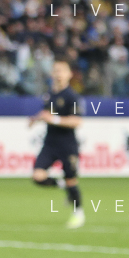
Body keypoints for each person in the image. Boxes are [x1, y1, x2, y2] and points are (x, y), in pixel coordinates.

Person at [29, 59, 84, 229]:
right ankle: (62, 185)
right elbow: (47, 113)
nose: (58, 74)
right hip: (50, 143)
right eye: (56, 70)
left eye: (62, 70)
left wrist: (54, 119)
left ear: (69, 74)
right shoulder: (49, 95)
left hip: (67, 144)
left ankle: (78, 213)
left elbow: (77, 121)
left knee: (71, 180)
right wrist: (36, 119)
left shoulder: (72, 96)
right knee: (38, 176)